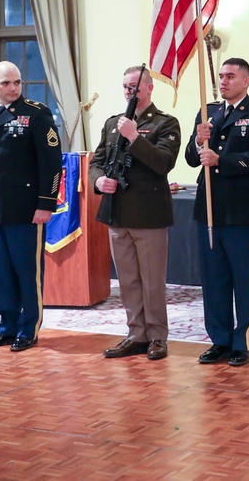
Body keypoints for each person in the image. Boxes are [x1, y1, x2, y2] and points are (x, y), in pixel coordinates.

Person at [185, 58, 249, 367]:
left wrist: (221, 161)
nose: (223, 81)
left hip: (241, 209)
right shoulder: (207, 112)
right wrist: (198, 140)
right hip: (209, 209)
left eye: (230, 76)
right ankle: (219, 340)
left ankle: (242, 341)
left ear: (246, 81)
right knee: (214, 280)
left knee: (242, 279)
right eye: (221, 76)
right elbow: (189, 158)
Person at [90, 65, 181, 361]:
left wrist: (135, 138)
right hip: (117, 212)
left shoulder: (166, 123)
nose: (131, 91)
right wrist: (98, 180)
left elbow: (163, 162)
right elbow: (98, 160)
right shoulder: (112, 123)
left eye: (136, 86)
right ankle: (136, 333)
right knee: (128, 280)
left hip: (149, 214)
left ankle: (157, 336)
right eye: (127, 86)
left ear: (149, 88)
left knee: (152, 280)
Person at [0, 60, 62, 352]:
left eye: (17, 82)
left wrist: (46, 203)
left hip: (26, 209)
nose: (13, 88)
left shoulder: (36, 114)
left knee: (26, 271)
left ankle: (28, 328)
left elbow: (52, 165)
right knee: (0, 271)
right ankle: (6, 326)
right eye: (7, 83)